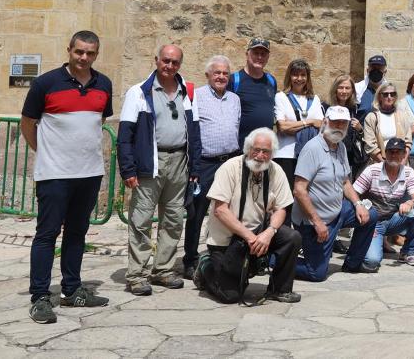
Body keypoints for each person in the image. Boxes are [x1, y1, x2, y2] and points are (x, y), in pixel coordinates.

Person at [20, 30, 113, 324]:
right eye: (79, 52)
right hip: (55, 174)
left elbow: (97, 123)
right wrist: (46, 152)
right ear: (69, 50)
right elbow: (27, 124)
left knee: (77, 233)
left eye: (91, 53)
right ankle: (40, 297)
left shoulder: (104, 84)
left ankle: (72, 291)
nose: (84, 58)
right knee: (47, 235)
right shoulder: (45, 83)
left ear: (96, 54)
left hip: (89, 173)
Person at [118, 44, 198, 295]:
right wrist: (128, 169)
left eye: (175, 62)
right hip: (149, 163)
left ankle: (162, 269)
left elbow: (194, 131)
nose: (170, 66)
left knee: (173, 219)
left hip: (179, 163)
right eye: (166, 61)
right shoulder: (139, 92)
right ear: (156, 60)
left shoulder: (186, 91)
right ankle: (137, 274)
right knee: (141, 219)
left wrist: (193, 165)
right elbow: (125, 134)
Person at [195, 127, 301, 304]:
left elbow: (282, 208)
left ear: (272, 153)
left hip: (258, 233)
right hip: (227, 239)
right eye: (256, 150)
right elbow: (220, 210)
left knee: (292, 237)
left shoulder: (276, 171)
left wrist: (270, 232)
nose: (260, 156)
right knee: (231, 296)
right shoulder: (229, 167)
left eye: (265, 151)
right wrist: (250, 236)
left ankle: (280, 289)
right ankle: (206, 266)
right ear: (247, 149)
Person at [291, 106, 379, 280]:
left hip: (337, 212)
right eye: (335, 122)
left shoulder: (340, 148)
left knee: (371, 214)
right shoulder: (312, 148)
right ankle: (275, 260)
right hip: (315, 220)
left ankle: (352, 264)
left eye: (343, 123)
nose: (339, 126)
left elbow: (346, 181)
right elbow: (299, 190)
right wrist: (317, 222)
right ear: (325, 122)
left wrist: (358, 204)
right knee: (316, 273)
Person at [184, 55, 242, 277]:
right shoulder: (196, 96)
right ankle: (190, 259)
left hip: (229, 162)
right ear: (208, 74)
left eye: (225, 73)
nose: (221, 77)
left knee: (229, 211)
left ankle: (224, 255)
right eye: (217, 72)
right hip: (205, 163)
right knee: (196, 213)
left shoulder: (234, 99)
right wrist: (194, 167)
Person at [354, 137, 414, 267]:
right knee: (372, 261)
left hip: (393, 219)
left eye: (398, 152)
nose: (394, 155)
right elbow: (353, 192)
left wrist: (410, 203)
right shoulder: (372, 170)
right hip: (373, 222)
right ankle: (368, 242)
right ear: (385, 154)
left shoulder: (409, 172)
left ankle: (408, 253)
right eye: (391, 152)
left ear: (404, 154)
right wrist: (359, 207)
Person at [273, 59, 323, 190]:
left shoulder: (315, 99)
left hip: (309, 154)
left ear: (308, 77)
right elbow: (282, 127)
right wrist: (310, 122)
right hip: (286, 155)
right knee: (287, 195)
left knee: (307, 194)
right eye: (295, 74)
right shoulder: (281, 97)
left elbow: (321, 125)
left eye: (303, 75)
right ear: (289, 76)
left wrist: (294, 126)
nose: (299, 78)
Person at [231, 37, 278, 146]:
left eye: (263, 54)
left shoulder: (271, 81)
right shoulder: (234, 80)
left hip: (265, 148)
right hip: (241, 147)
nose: (259, 57)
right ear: (247, 54)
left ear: (268, 57)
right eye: (256, 53)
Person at [326, 73, 368, 178]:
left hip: (349, 156)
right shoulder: (326, 106)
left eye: (347, 88)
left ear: (352, 90)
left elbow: (360, 133)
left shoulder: (354, 108)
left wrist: (360, 128)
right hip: (330, 154)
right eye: (340, 87)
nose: (344, 91)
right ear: (335, 89)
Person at [363, 81, 414, 161]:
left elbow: (408, 142)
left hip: (401, 163)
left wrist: (402, 163)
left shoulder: (402, 116)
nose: (389, 97)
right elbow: (370, 145)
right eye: (385, 94)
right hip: (380, 164)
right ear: (379, 97)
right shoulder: (371, 118)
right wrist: (385, 164)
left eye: (392, 94)